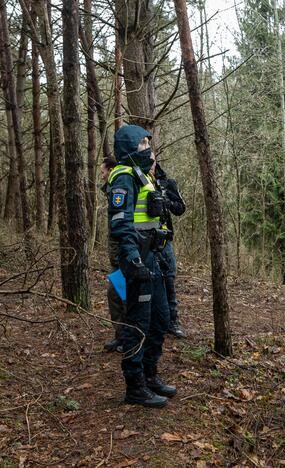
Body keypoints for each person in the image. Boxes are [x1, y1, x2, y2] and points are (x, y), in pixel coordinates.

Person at [107, 124, 175, 408]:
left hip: (154, 257)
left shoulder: (143, 175)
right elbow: (121, 223)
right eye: (143, 144)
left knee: (160, 319)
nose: (149, 149)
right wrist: (133, 258)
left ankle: (150, 374)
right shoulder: (123, 177)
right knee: (138, 323)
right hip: (137, 259)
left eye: (149, 143)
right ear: (130, 148)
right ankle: (135, 385)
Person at [155, 163, 187, 338]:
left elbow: (181, 208)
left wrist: (165, 201)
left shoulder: (167, 183)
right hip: (142, 240)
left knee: (168, 278)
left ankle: (172, 321)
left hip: (164, 240)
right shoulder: (135, 180)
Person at [101, 158, 125, 353]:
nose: (102, 175)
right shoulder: (111, 192)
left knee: (118, 295)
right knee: (116, 295)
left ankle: (126, 337)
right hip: (117, 257)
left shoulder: (120, 190)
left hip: (123, 257)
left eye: (103, 172)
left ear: (111, 170)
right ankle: (122, 336)